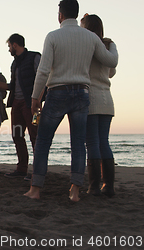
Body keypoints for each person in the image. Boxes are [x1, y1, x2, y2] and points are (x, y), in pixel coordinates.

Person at [24, 0, 118, 201]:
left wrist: (35, 97)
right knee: (78, 144)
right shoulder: (91, 37)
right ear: (77, 14)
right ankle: (74, 191)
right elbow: (111, 62)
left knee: (42, 142)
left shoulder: (53, 36)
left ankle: (36, 189)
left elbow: (43, 70)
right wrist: (111, 45)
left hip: (57, 92)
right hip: (82, 93)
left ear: (60, 15)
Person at [81, 14, 117, 197]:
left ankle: (94, 186)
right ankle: (108, 186)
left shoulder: (85, 46)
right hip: (107, 98)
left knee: (92, 142)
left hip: (91, 97)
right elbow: (111, 72)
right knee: (104, 141)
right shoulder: (109, 45)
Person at [3, 34, 42, 180]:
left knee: (35, 136)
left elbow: (42, 77)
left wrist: (38, 100)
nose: (9, 50)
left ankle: (37, 170)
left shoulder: (34, 57)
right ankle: (22, 169)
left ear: (14, 45)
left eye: (9, 46)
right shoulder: (14, 64)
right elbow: (12, 86)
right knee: (17, 135)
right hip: (17, 104)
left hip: (31, 103)